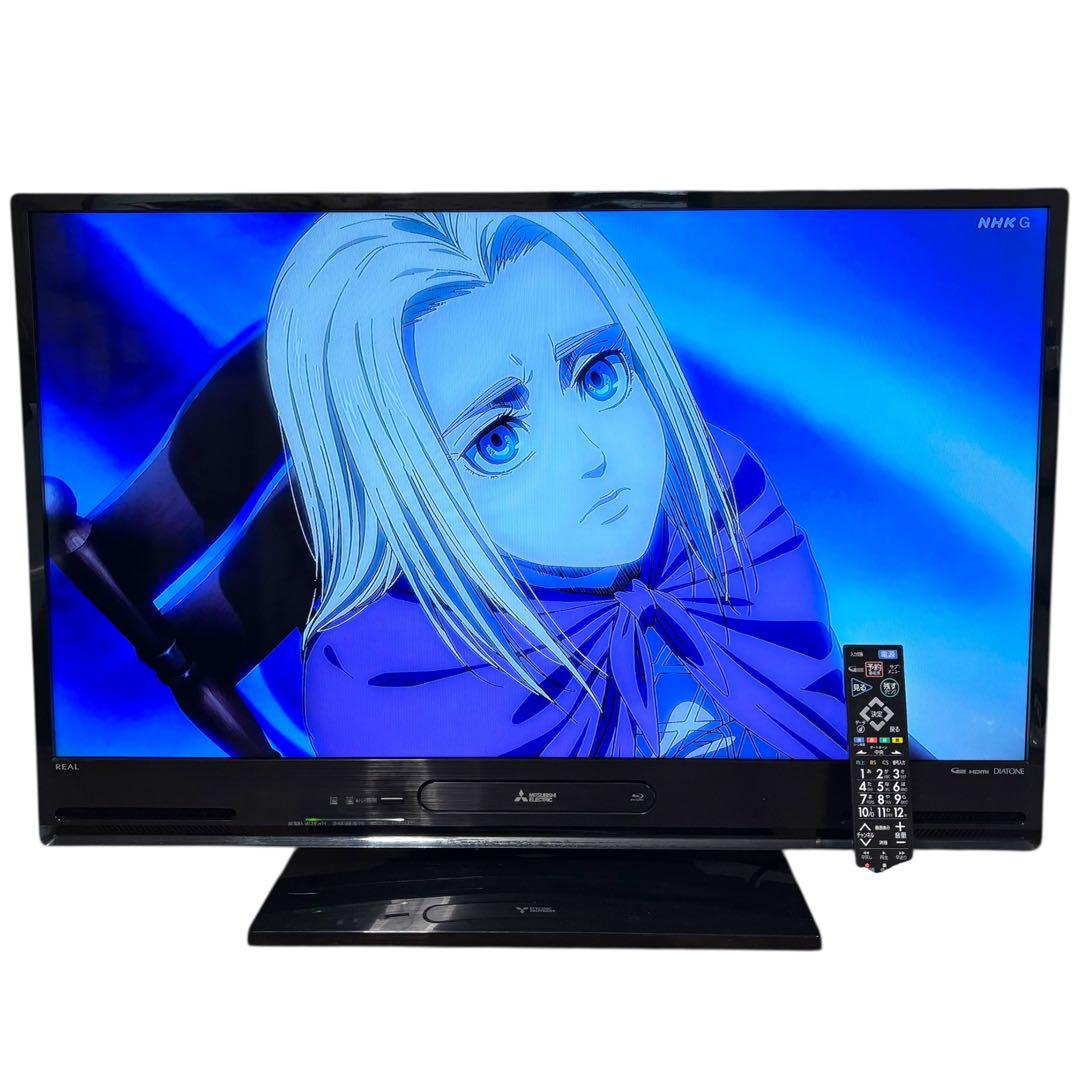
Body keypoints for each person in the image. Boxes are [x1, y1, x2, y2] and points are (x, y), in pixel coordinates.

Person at [265, 211, 846, 759]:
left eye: (599, 375)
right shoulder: (383, 675)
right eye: (498, 441)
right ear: (399, 484)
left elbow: (830, 725)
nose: (592, 455)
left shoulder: (719, 487)